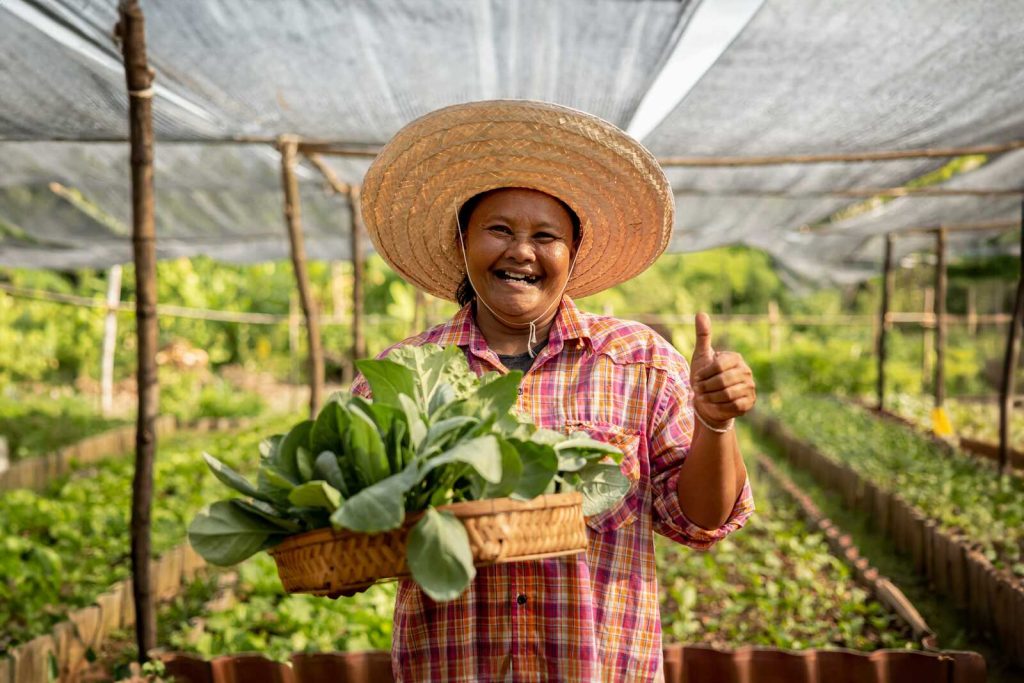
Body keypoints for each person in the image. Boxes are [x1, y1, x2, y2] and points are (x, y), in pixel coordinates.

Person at [353, 100, 756, 682]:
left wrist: (716, 423)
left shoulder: (638, 362)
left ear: (572, 257)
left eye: (546, 236)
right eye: (499, 230)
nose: (522, 250)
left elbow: (698, 520)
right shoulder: (406, 373)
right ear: (463, 244)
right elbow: (357, 531)